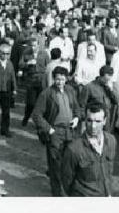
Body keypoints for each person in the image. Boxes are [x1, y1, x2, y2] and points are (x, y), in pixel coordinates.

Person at [32, 66, 82, 196]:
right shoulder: (47, 93)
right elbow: (37, 115)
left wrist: (76, 118)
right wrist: (50, 130)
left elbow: (77, 107)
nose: (60, 82)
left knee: (69, 162)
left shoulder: (70, 90)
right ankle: (57, 192)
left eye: (62, 79)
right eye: (57, 79)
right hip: (55, 132)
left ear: (67, 79)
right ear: (54, 79)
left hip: (70, 132)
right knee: (55, 164)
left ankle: (68, 189)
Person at [61, 102, 116, 197]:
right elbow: (66, 182)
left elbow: (109, 172)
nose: (93, 126)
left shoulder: (111, 141)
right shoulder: (73, 149)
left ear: (105, 121)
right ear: (85, 120)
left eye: (98, 121)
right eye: (89, 120)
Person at [79, 65, 119, 133]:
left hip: (106, 120)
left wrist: (110, 90)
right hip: (94, 119)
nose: (107, 82)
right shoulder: (89, 87)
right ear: (101, 76)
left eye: (109, 80)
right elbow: (82, 105)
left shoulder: (108, 87)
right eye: (105, 80)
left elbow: (116, 101)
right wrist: (83, 122)